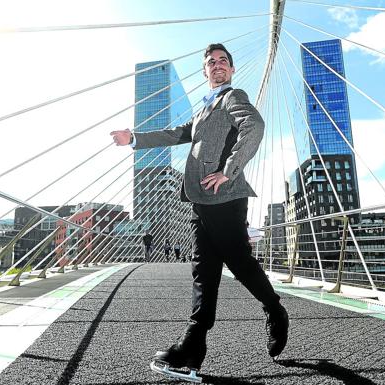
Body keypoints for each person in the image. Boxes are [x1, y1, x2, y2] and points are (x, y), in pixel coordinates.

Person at [111, 43, 288, 378]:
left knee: (237, 262)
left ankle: (275, 310)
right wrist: (133, 138)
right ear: (205, 71)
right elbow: (177, 133)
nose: (217, 65)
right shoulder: (206, 107)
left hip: (224, 195)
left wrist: (230, 169)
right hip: (200, 199)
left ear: (231, 70)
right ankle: (194, 344)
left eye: (223, 61)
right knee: (203, 271)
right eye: (211, 62)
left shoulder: (233, 97)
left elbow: (255, 126)